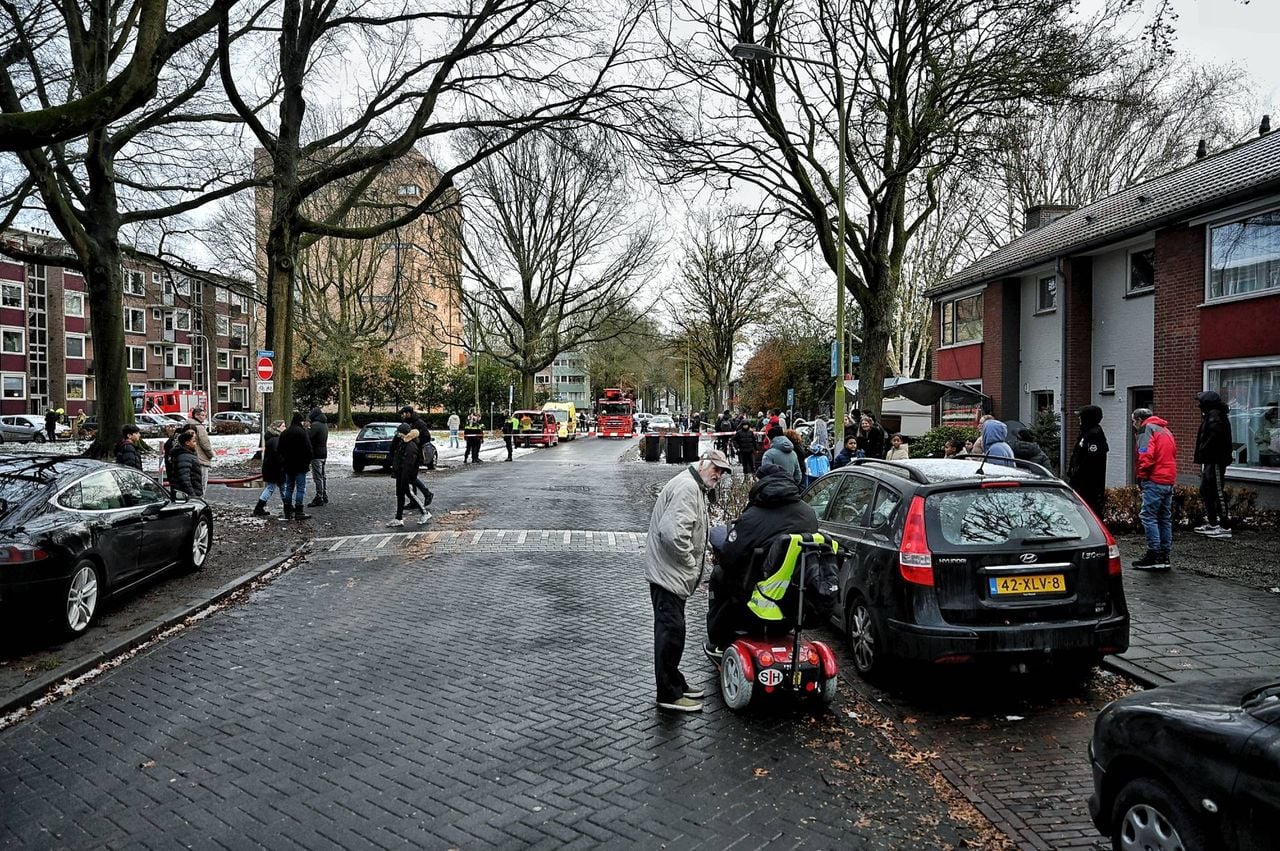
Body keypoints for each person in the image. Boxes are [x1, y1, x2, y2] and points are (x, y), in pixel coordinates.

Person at [645, 450, 732, 712]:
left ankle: (676, 683)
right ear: (703, 463)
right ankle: (669, 695)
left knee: (673, 632)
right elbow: (673, 535)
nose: (718, 475)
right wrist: (691, 565)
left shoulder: (692, 485)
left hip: (670, 575)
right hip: (669, 576)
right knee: (670, 634)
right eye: (715, 468)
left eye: (722, 471)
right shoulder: (688, 488)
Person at [705, 463, 818, 658]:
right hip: (794, 592)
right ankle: (778, 630)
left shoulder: (754, 516)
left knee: (719, 574)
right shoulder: (808, 513)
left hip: (755, 591)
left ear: (761, 484)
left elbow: (730, 557)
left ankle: (719, 637)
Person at [1132, 408, 1177, 570]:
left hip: (1154, 478)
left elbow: (1145, 454)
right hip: (1168, 479)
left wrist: (1141, 475)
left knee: (1148, 516)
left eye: (1133, 422)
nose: (1134, 425)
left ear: (1138, 420)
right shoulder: (1164, 430)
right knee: (1164, 518)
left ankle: (1154, 555)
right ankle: (1164, 555)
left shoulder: (1146, 429)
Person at [1193, 390, 1234, 539]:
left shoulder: (1215, 417)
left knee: (1217, 491)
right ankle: (1213, 523)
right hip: (1210, 460)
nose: (1199, 406)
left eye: (1201, 402)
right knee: (1206, 490)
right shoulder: (1212, 415)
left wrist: (1204, 452)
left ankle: (1224, 526)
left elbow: (1213, 440)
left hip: (1215, 460)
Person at [1067, 406, 1109, 520]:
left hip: (1088, 485)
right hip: (1080, 482)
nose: (1079, 420)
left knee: (1090, 511)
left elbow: (1090, 462)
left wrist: (1077, 476)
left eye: (1081, 417)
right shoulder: (1085, 433)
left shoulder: (1094, 435)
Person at [387, 424, 430, 526]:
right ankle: (398, 518)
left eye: (399, 433)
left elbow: (408, 464)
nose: (397, 434)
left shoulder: (411, 445)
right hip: (400, 474)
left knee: (410, 494)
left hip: (406, 476)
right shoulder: (403, 442)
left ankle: (425, 513)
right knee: (400, 495)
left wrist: (405, 479)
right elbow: (393, 451)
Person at [277, 413, 312, 520]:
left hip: (288, 465)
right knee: (301, 488)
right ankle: (299, 511)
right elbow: (308, 449)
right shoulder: (302, 433)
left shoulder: (285, 433)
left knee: (289, 488)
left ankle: (287, 509)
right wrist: (308, 461)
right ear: (300, 421)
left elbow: (279, 449)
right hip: (301, 466)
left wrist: (283, 461)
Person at [253, 420, 287, 517]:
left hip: (270, 468)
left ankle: (259, 507)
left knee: (271, 488)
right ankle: (287, 506)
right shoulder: (276, 440)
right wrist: (284, 464)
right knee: (280, 487)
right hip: (276, 469)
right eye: (283, 426)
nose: (285, 428)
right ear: (277, 428)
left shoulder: (271, 439)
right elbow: (278, 456)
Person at [187, 407, 214, 493]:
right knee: (201, 484)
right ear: (196, 415)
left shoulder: (187, 425)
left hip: (190, 458)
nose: (203, 417)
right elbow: (205, 444)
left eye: (204, 415)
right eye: (201, 415)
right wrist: (211, 454)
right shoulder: (199, 427)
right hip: (201, 458)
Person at [170, 430, 204, 498]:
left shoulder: (187, 455)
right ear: (187, 443)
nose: (195, 444)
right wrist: (192, 495)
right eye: (193, 441)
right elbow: (185, 479)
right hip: (187, 495)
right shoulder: (184, 457)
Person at [307, 407, 329, 507]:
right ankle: (324, 494)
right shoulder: (324, 425)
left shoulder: (315, 425)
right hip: (323, 453)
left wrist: (306, 429)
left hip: (316, 454)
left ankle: (319, 497)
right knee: (323, 476)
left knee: (317, 477)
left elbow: (308, 436)